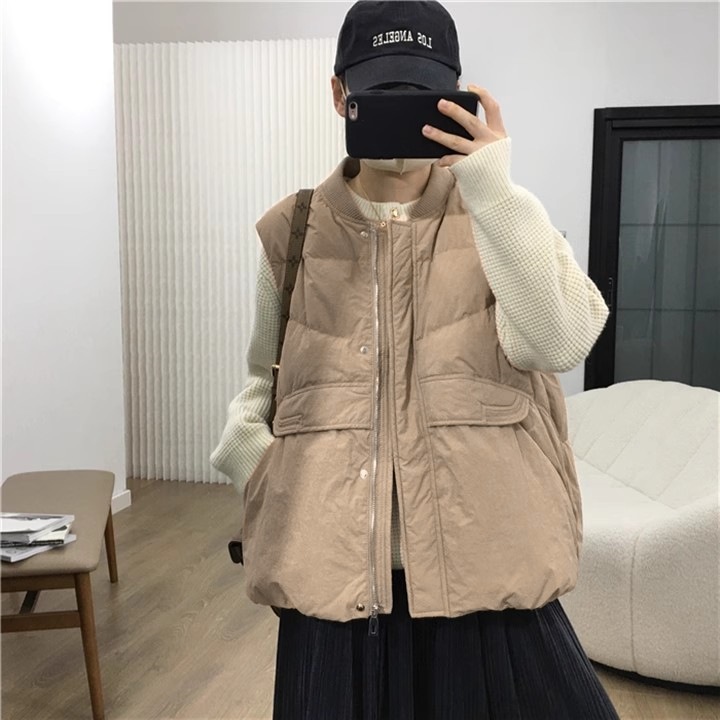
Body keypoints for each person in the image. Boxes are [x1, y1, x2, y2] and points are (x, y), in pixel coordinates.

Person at [210, 1, 621, 718]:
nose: (402, 118)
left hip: (488, 585)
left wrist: (494, 189)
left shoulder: (500, 216)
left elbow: (560, 343)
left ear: (456, 94)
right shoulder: (292, 230)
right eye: (379, 95)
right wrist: (263, 470)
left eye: (421, 96)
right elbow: (261, 381)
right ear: (339, 94)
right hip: (332, 594)